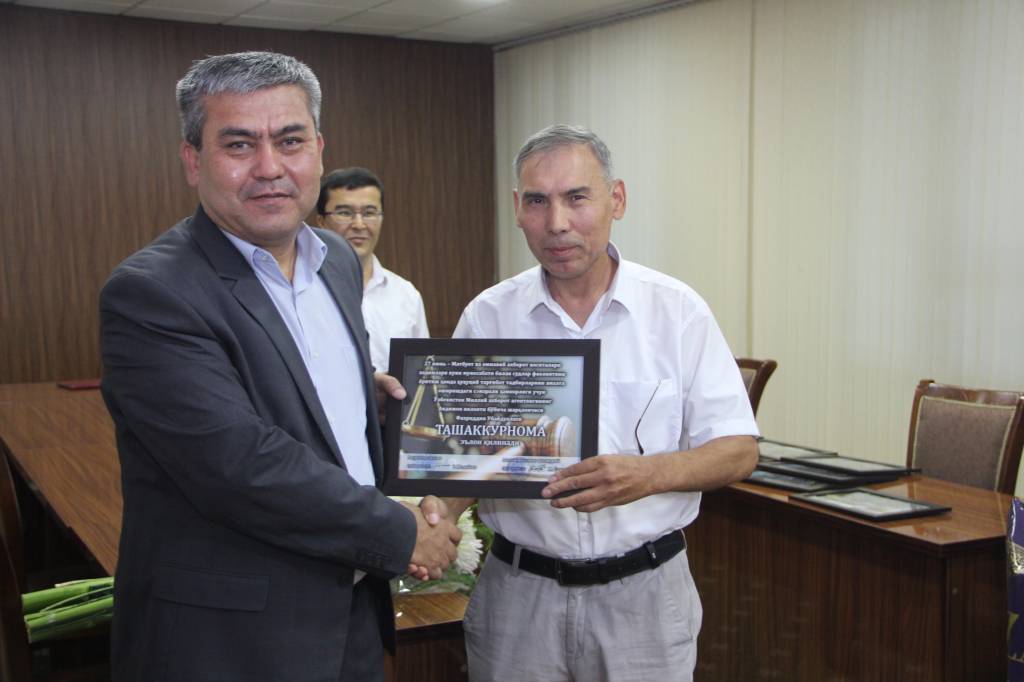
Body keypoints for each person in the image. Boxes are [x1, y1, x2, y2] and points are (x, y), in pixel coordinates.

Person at [99, 51, 460, 682]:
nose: (270, 167)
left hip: (350, 617)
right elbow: (239, 465)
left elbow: (299, 395)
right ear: (193, 160)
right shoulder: (151, 293)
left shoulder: (336, 263)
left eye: (290, 141)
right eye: (239, 144)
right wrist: (402, 533)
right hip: (231, 642)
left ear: (318, 150)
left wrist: (364, 398)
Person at [437, 124, 760, 681]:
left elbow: (738, 449)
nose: (557, 222)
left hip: (645, 597)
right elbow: (462, 458)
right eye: (537, 201)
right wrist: (435, 516)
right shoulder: (488, 317)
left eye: (576, 197)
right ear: (517, 209)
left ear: (618, 200)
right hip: (519, 599)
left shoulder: (676, 311)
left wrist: (649, 474)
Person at [316, 167, 430, 372]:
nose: (359, 224)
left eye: (369, 213)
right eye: (345, 213)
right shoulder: (305, 290)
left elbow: (421, 372)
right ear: (321, 222)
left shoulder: (406, 295)